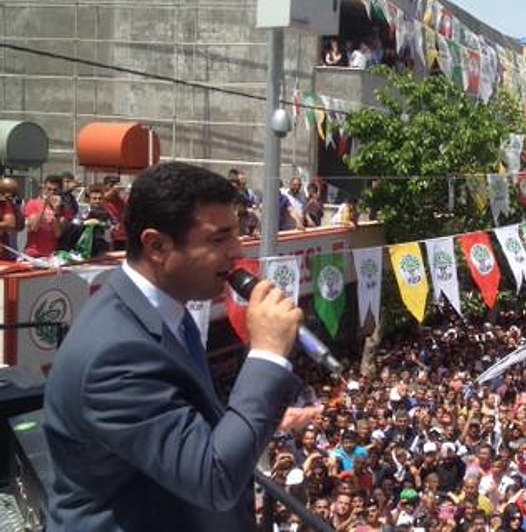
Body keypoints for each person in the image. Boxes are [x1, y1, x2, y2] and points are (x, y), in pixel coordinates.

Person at [44, 161, 303, 531]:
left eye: (238, 233)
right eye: (219, 238)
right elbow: (213, 479)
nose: (236, 250)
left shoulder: (167, 314)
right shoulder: (115, 356)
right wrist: (267, 355)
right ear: (157, 245)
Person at [24, 174, 71, 258]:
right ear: (43, 189)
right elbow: (34, 227)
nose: (51, 192)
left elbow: (58, 234)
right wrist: (44, 205)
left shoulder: (64, 209)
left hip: (51, 255)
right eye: (48, 189)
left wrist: (56, 212)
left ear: (60, 191)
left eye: (55, 190)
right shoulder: (33, 204)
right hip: (33, 253)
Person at [0, 177, 25, 260]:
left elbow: (20, 227)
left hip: (10, 252)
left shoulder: (14, 204)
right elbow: (9, 223)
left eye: (14, 192)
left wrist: (15, 208)